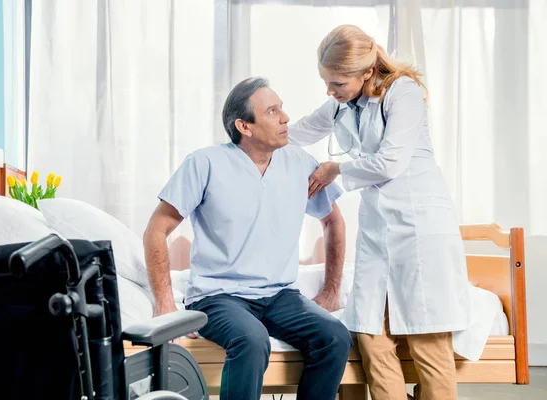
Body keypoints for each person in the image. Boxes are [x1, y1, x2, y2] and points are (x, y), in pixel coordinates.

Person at [288, 24, 470, 400]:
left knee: (427, 339)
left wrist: (334, 169)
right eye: (326, 82)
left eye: (336, 83)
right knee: (370, 335)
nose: (329, 91)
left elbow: (389, 162)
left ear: (366, 72)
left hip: (419, 226)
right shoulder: (341, 103)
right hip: (378, 230)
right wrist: (247, 137)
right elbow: (300, 131)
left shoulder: (403, 93)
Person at [143, 77, 352, 400]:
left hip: (280, 295)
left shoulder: (298, 162)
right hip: (218, 296)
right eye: (272, 111)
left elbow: (333, 220)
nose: (285, 118)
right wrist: (165, 302)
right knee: (253, 340)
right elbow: (157, 230)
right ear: (245, 126)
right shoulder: (205, 163)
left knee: (335, 336)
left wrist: (331, 290)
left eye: (282, 108)